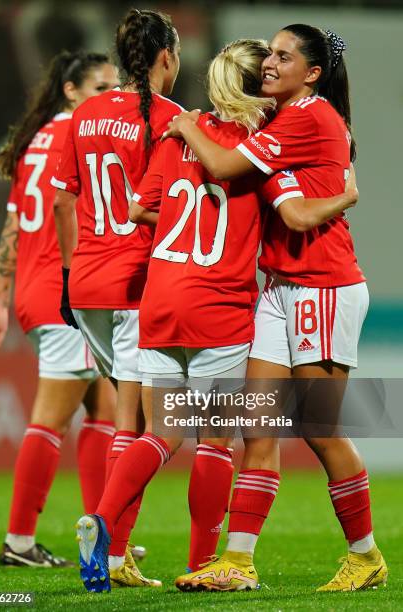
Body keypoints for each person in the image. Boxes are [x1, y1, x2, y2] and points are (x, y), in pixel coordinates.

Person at [82, 37, 357, 590]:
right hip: (219, 304)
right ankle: (205, 559)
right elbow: (295, 214)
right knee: (215, 438)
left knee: (160, 430)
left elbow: (139, 207)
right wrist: (346, 195)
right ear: (258, 86)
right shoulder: (261, 146)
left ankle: (102, 525)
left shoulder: (176, 136)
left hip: (160, 295)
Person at [167, 25, 387, 593]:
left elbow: (220, 166)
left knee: (319, 428)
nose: (270, 62)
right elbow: (289, 211)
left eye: (284, 56)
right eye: (268, 52)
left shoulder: (307, 117)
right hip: (280, 288)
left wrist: (189, 124)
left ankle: (365, 556)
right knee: (256, 429)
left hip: (323, 286)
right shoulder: (282, 121)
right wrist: (341, 196)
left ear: (311, 73)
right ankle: (238, 563)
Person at [52, 9, 182, 592]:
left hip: (85, 286)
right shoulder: (173, 119)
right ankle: (108, 541)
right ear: (166, 57)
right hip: (136, 285)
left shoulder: (82, 115)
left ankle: (113, 551)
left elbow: (62, 202)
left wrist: (65, 273)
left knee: (122, 414)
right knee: (150, 424)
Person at [0, 50, 120, 568]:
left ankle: (101, 540)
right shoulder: (81, 136)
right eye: (101, 88)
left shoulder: (36, 142)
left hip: (38, 292)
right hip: (67, 290)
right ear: (72, 91)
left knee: (102, 407)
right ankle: (18, 543)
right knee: (50, 419)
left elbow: (14, 227)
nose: (111, 97)